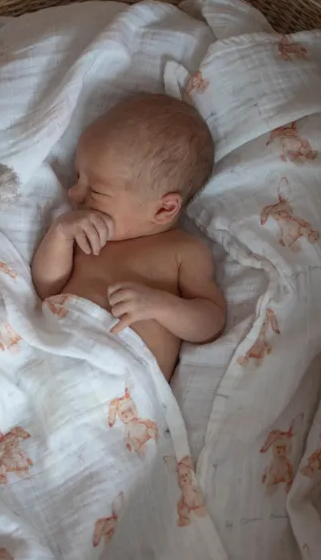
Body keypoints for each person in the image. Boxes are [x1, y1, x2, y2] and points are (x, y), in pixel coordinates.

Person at [32, 93, 225, 380]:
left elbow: (210, 323)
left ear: (163, 208)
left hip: (123, 378)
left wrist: (161, 305)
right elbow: (47, 287)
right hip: (54, 351)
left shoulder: (184, 250)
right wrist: (60, 234)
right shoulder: (88, 234)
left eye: (95, 191)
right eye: (77, 177)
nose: (74, 193)